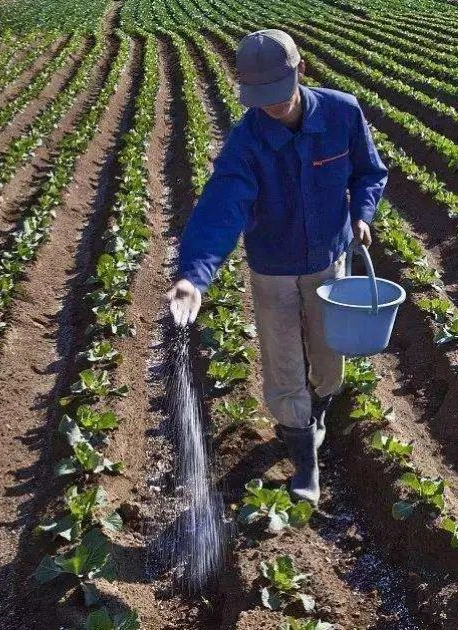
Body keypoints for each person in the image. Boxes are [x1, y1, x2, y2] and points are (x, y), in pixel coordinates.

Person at [165, 29, 388, 505]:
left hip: (330, 257)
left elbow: (369, 173)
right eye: (259, 98)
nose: (271, 107)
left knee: (329, 355)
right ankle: (305, 461)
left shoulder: (341, 113)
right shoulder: (247, 141)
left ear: (300, 71)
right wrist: (192, 277)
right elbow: (221, 207)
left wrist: (362, 214)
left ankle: (321, 408)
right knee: (283, 361)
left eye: (278, 95)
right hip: (274, 267)